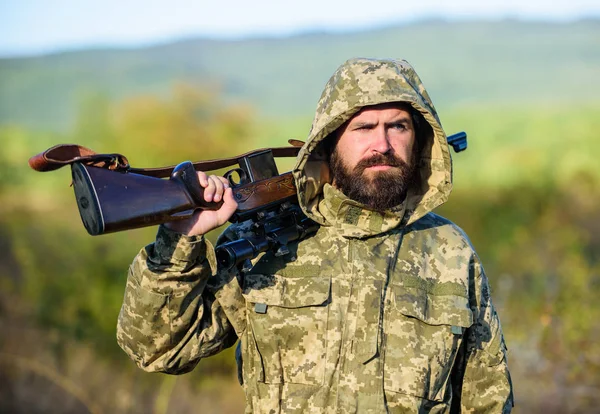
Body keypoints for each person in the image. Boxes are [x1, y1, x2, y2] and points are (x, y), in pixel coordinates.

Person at [117, 57, 514, 413]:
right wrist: (178, 239)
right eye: (364, 128)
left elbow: (487, 400)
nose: (383, 144)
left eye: (398, 126)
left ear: (420, 138)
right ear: (329, 141)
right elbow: (157, 348)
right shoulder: (264, 240)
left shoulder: (450, 251)